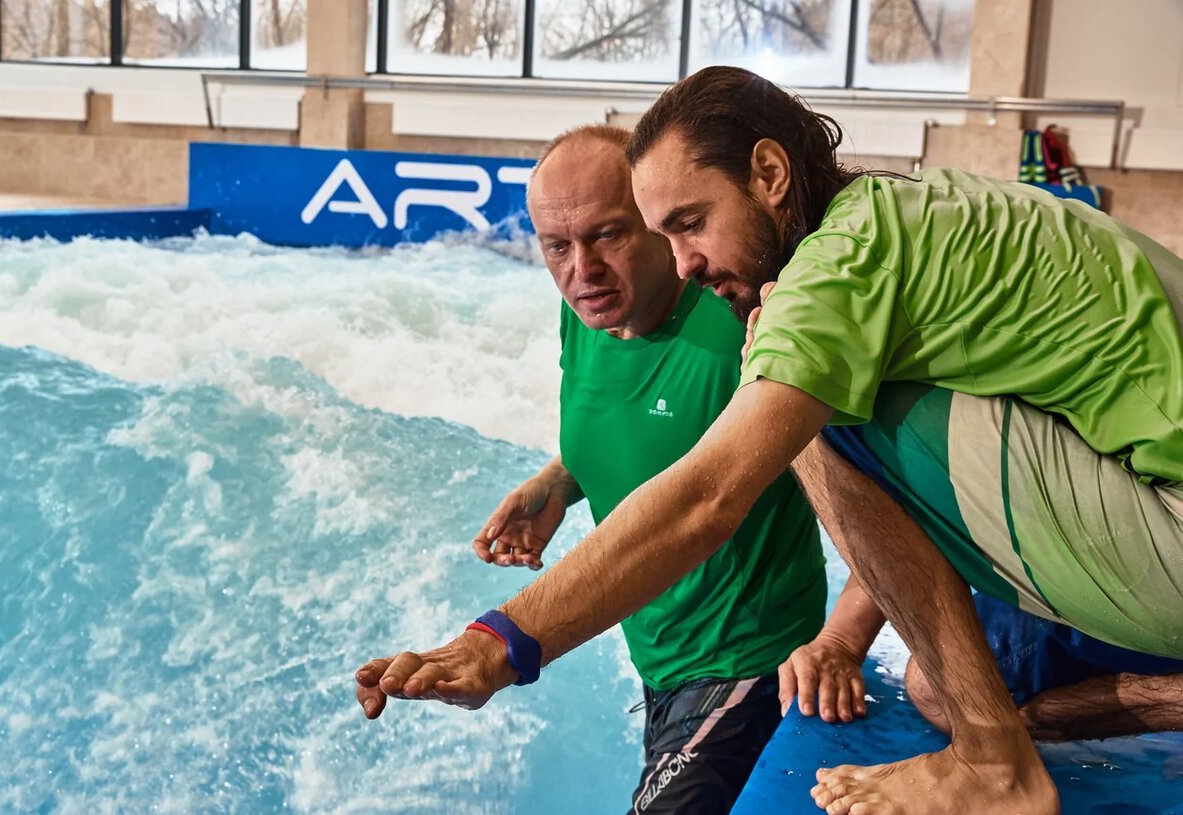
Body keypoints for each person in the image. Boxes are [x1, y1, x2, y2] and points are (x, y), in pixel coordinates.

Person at [356, 66, 1183, 815]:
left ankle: (992, 760)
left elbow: (706, 501)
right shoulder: (900, 215)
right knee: (937, 682)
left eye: (687, 223)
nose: (681, 263)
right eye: (661, 234)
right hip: (1137, 496)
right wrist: (561, 478)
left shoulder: (825, 278)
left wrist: (498, 643)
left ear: (769, 173)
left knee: (812, 416)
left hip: (1161, 530)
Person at [467, 123, 875, 813]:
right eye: (557, 246)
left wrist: (841, 638)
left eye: (608, 235)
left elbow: (889, 500)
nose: (581, 270)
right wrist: (559, 481)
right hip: (661, 667)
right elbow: (648, 423)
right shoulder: (587, 317)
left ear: (660, 220)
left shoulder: (744, 323)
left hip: (748, 668)